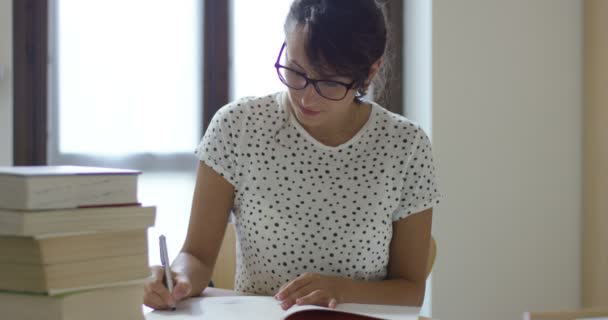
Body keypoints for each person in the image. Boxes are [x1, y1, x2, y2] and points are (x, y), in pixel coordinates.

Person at [144, 0, 441, 311]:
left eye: (328, 81)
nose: (306, 95)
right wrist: (177, 280)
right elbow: (198, 256)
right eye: (296, 71)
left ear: (369, 72)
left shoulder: (405, 146)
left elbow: (409, 291)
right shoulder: (239, 126)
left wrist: (338, 289)